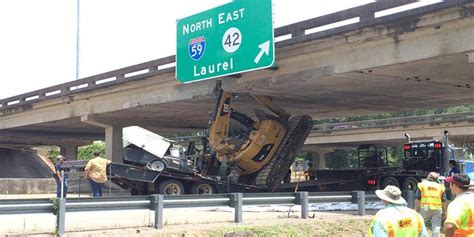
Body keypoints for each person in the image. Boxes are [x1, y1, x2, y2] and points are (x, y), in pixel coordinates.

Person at [415, 172, 447, 237]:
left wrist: (416, 209)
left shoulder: (422, 185)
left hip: (425, 208)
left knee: (421, 224)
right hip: (437, 209)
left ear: (428, 177)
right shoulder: (441, 187)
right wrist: (445, 211)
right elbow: (443, 200)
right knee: (436, 227)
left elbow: (417, 198)